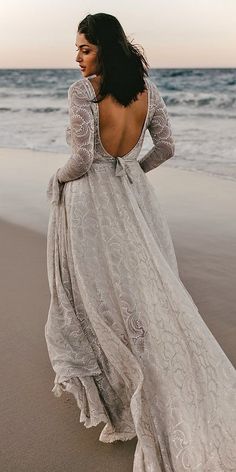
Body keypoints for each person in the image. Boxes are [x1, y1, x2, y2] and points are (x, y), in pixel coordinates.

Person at [45, 12, 236, 472]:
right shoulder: (148, 93)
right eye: (76, 49)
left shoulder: (83, 93)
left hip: (91, 200)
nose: (77, 58)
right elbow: (166, 147)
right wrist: (130, 170)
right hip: (134, 198)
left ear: (104, 50)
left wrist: (57, 177)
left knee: (94, 287)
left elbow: (83, 158)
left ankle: (116, 380)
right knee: (146, 289)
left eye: (85, 49)